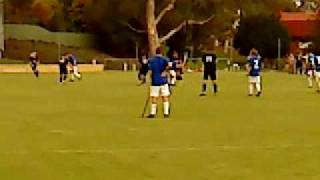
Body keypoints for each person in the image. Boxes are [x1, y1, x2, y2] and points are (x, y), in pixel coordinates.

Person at [147, 47, 171, 119]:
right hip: (163, 81)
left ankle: (152, 113)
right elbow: (169, 66)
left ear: (155, 52)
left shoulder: (152, 60)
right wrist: (165, 72)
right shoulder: (165, 59)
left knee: (154, 97)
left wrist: (151, 78)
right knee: (165, 97)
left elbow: (150, 72)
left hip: (155, 81)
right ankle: (166, 113)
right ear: (161, 53)